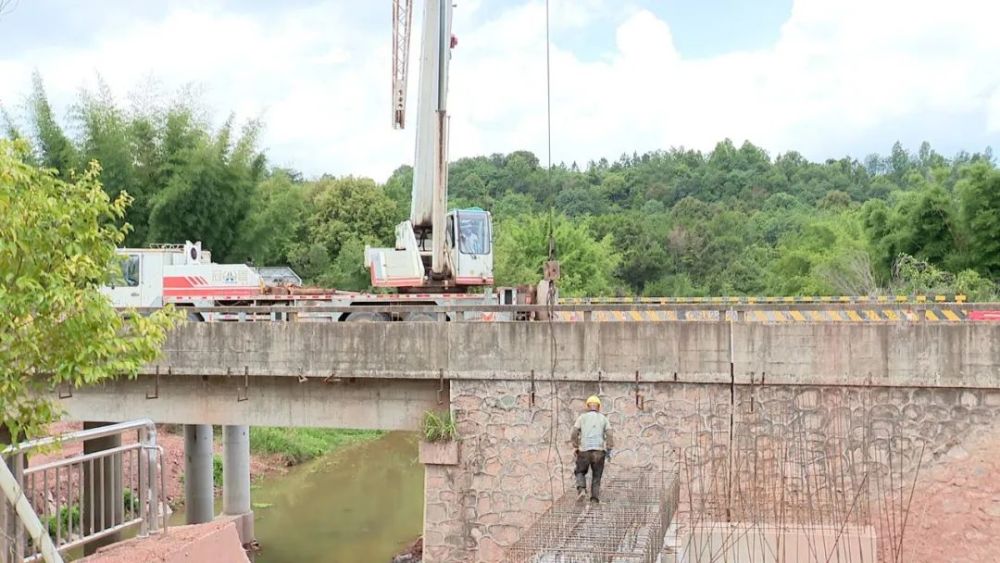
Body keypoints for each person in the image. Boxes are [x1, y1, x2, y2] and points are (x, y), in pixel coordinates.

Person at [571, 395, 614, 503]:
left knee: (580, 472)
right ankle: (594, 499)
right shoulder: (604, 418)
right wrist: (608, 448)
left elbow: (574, 432)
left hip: (584, 450)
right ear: (598, 407)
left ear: (588, 406)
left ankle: (581, 489)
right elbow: (609, 434)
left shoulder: (582, 417)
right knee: (597, 476)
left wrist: (576, 446)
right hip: (599, 451)